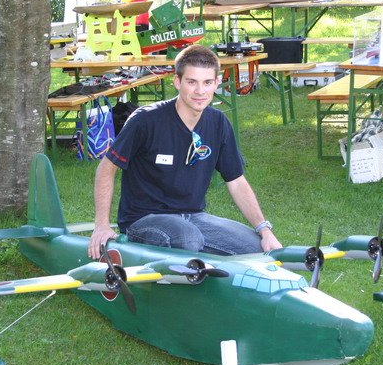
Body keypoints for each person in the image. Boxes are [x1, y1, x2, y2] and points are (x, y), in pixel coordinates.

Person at [88, 44, 282, 260]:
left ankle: (202, 265)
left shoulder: (218, 123)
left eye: (207, 82)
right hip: (144, 219)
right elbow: (106, 168)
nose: (200, 91)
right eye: (192, 82)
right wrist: (102, 225)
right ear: (177, 82)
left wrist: (264, 229)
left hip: (193, 217)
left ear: (216, 83)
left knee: (256, 248)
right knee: (187, 239)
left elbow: (236, 181)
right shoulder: (145, 120)